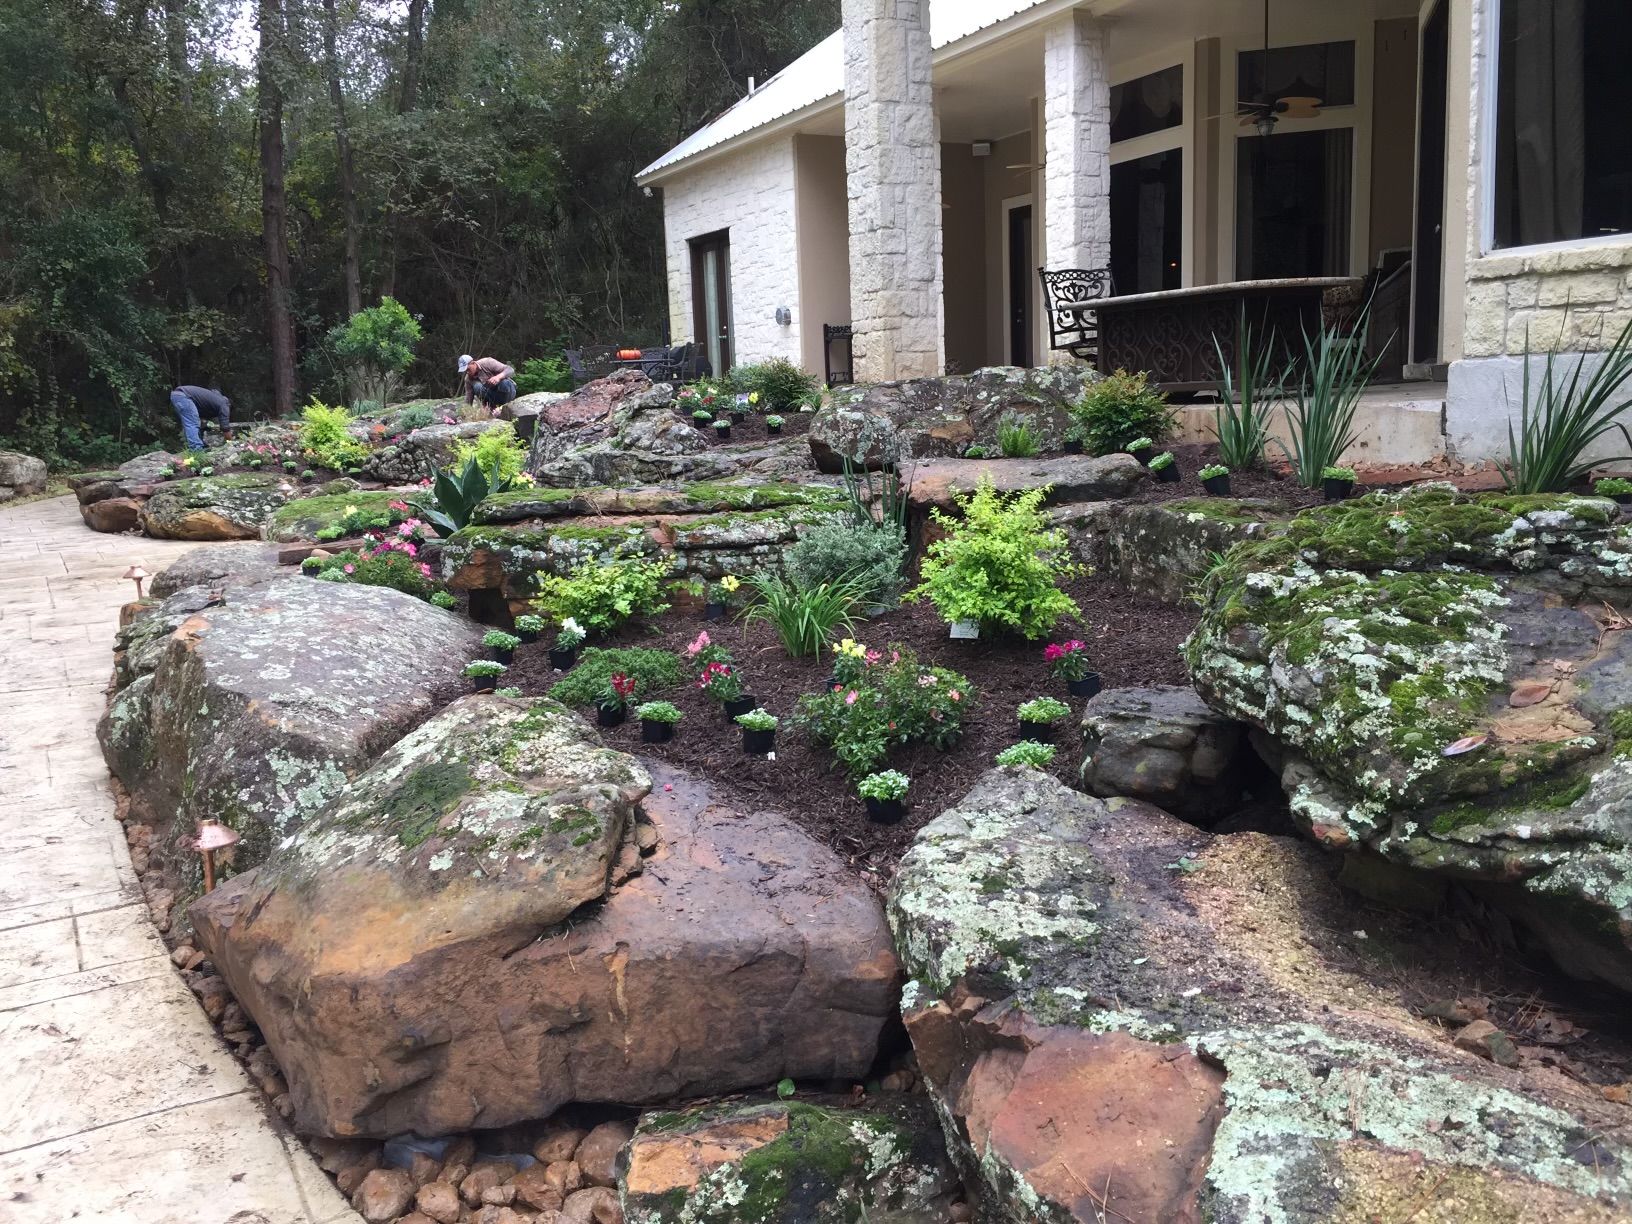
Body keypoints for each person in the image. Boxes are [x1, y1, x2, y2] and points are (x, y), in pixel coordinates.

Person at [170, 385, 232, 451]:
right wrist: (230, 443)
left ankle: (199, 445)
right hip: (184, 396)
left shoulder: (213, 402)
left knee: (192, 423)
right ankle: (196, 449)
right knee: (192, 423)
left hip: (178, 395)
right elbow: (225, 428)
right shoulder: (224, 404)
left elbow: (201, 421)